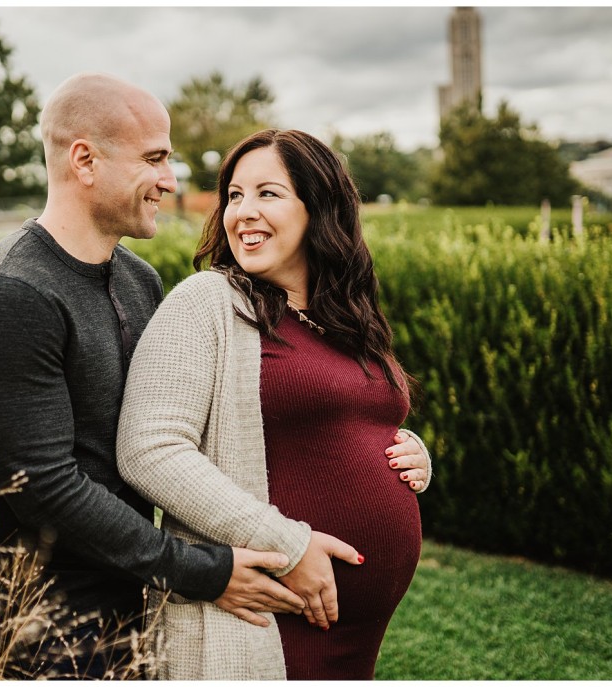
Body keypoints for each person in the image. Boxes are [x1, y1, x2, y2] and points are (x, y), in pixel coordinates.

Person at [0, 74, 311, 679]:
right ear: (84, 160)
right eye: (154, 159)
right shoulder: (6, 295)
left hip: (144, 604)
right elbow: (44, 490)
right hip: (52, 629)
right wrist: (204, 570)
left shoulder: (139, 281)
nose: (171, 179)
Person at [116, 129, 431, 680]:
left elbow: (356, 417)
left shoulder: (345, 313)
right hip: (264, 621)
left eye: (267, 193)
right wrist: (288, 544)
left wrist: (411, 455)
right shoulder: (208, 302)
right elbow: (149, 448)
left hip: (354, 635)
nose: (243, 212)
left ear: (320, 206)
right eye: (234, 195)